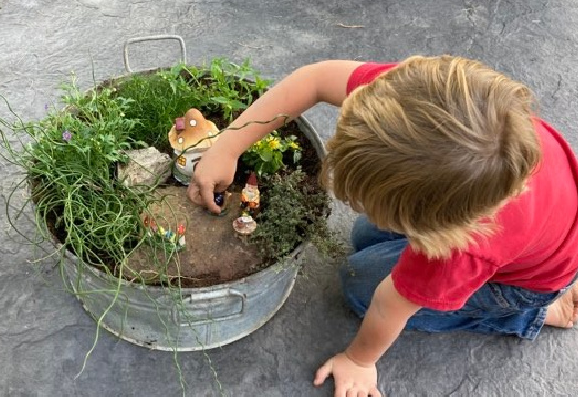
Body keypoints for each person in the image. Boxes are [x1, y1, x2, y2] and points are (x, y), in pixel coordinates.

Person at [186, 56, 578, 397]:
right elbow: (316, 79)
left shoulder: (462, 250)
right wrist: (227, 145)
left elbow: (391, 306)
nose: (369, 213)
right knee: (363, 237)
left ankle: (535, 314)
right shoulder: (421, 105)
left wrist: (359, 360)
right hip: (539, 226)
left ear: (436, 229)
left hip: (520, 283)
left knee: (361, 286)